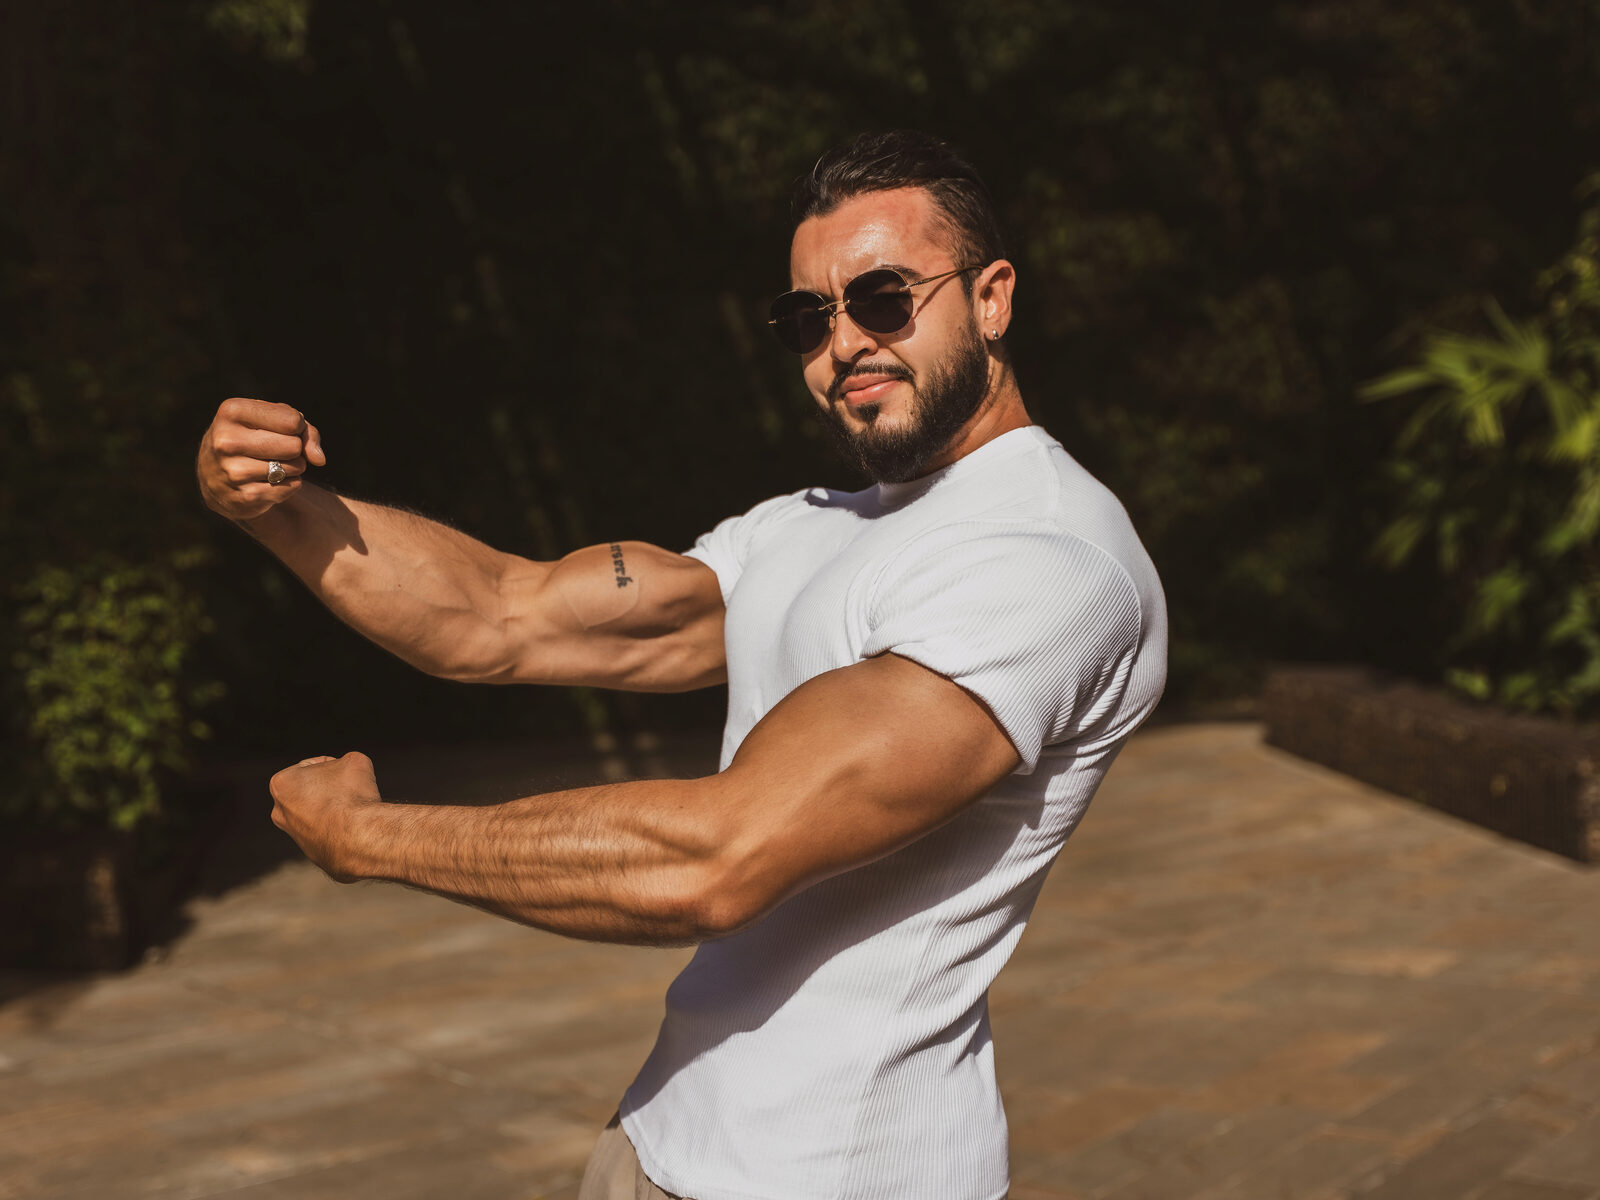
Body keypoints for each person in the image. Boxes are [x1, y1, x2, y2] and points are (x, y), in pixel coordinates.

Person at [196, 130, 1167, 1200]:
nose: (844, 342)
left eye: (883, 299)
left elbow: (718, 860)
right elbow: (502, 615)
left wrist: (370, 838)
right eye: (809, 318)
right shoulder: (814, 523)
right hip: (664, 1132)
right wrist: (279, 506)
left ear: (990, 299)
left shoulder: (1044, 555)